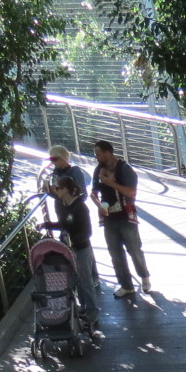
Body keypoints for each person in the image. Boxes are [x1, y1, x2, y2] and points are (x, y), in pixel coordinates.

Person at [91, 139, 153, 298]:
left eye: (98, 154)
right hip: (109, 218)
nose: (96, 157)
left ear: (107, 153)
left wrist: (111, 183)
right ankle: (126, 285)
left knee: (134, 249)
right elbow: (93, 193)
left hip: (126, 217)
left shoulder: (125, 169)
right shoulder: (98, 170)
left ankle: (144, 276)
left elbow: (131, 192)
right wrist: (99, 205)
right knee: (115, 253)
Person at [39, 176, 99, 329]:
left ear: (66, 190)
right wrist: (46, 225)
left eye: (58, 188)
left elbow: (87, 232)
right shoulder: (63, 204)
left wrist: (73, 241)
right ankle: (84, 308)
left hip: (82, 249)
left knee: (86, 281)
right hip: (70, 249)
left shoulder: (80, 207)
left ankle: (92, 312)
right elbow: (64, 224)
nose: (55, 191)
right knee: (78, 281)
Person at [39, 145, 89, 222]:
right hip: (61, 210)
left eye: (54, 159)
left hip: (75, 211)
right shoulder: (55, 173)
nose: (52, 162)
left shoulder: (75, 171)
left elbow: (83, 195)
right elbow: (58, 196)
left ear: (63, 158)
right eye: (51, 159)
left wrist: (66, 195)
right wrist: (49, 191)